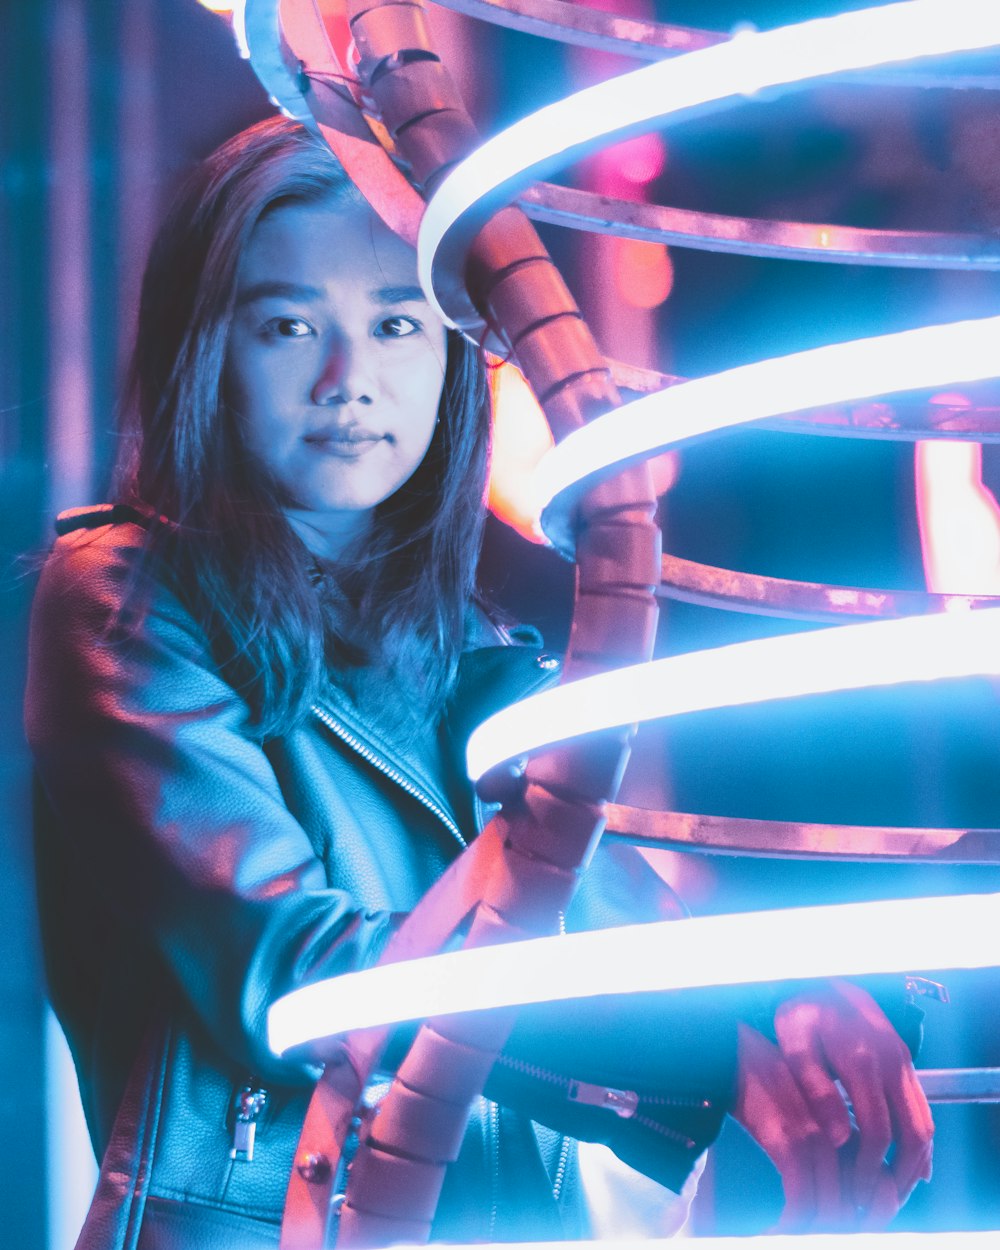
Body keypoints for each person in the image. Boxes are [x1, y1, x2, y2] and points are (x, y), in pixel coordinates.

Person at [26, 116, 933, 1249]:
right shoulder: (120, 597)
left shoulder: (472, 653)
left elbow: (607, 930)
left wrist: (789, 1006)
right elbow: (303, 976)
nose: (347, 379)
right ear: (206, 349)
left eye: (397, 323)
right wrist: (715, 1037)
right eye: (286, 323)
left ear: (453, 355)